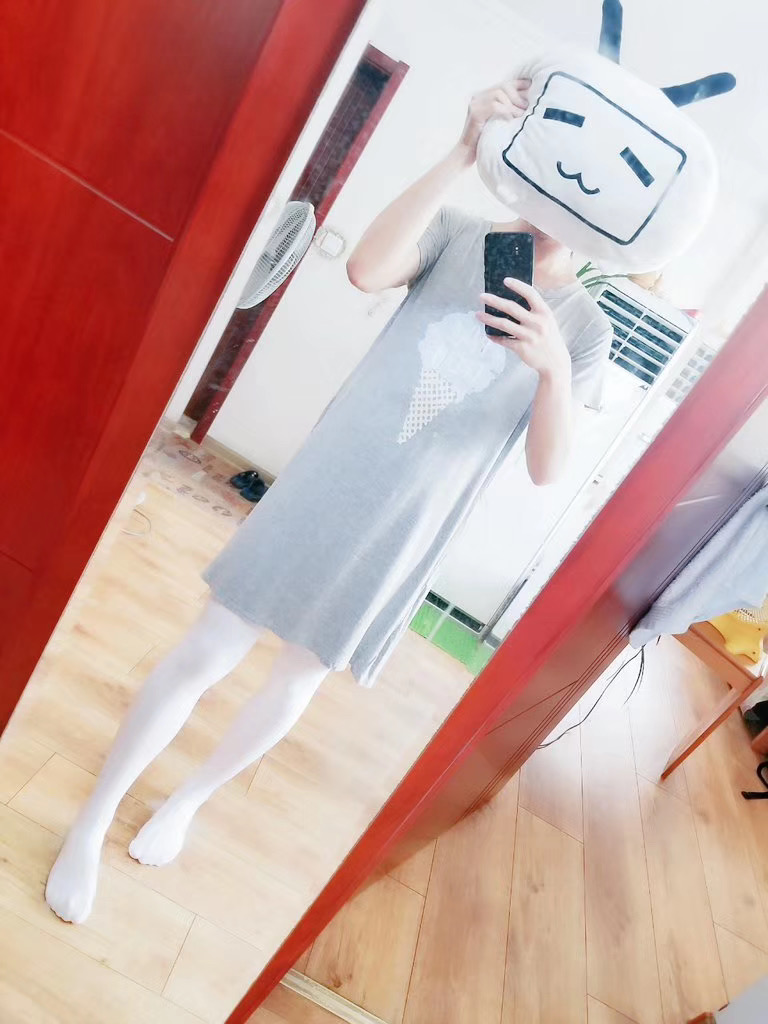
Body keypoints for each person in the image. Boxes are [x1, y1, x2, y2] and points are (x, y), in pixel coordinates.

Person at [45, 79, 612, 924]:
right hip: (327, 482)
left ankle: (188, 801)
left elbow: (545, 468)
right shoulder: (460, 235)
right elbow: (364, 269)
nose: (553, 207)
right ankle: (93, 819)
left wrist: (555, 371)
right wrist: (461, 150)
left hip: (404, 529)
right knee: (210, 645)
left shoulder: (587, 330)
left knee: (295, 682)